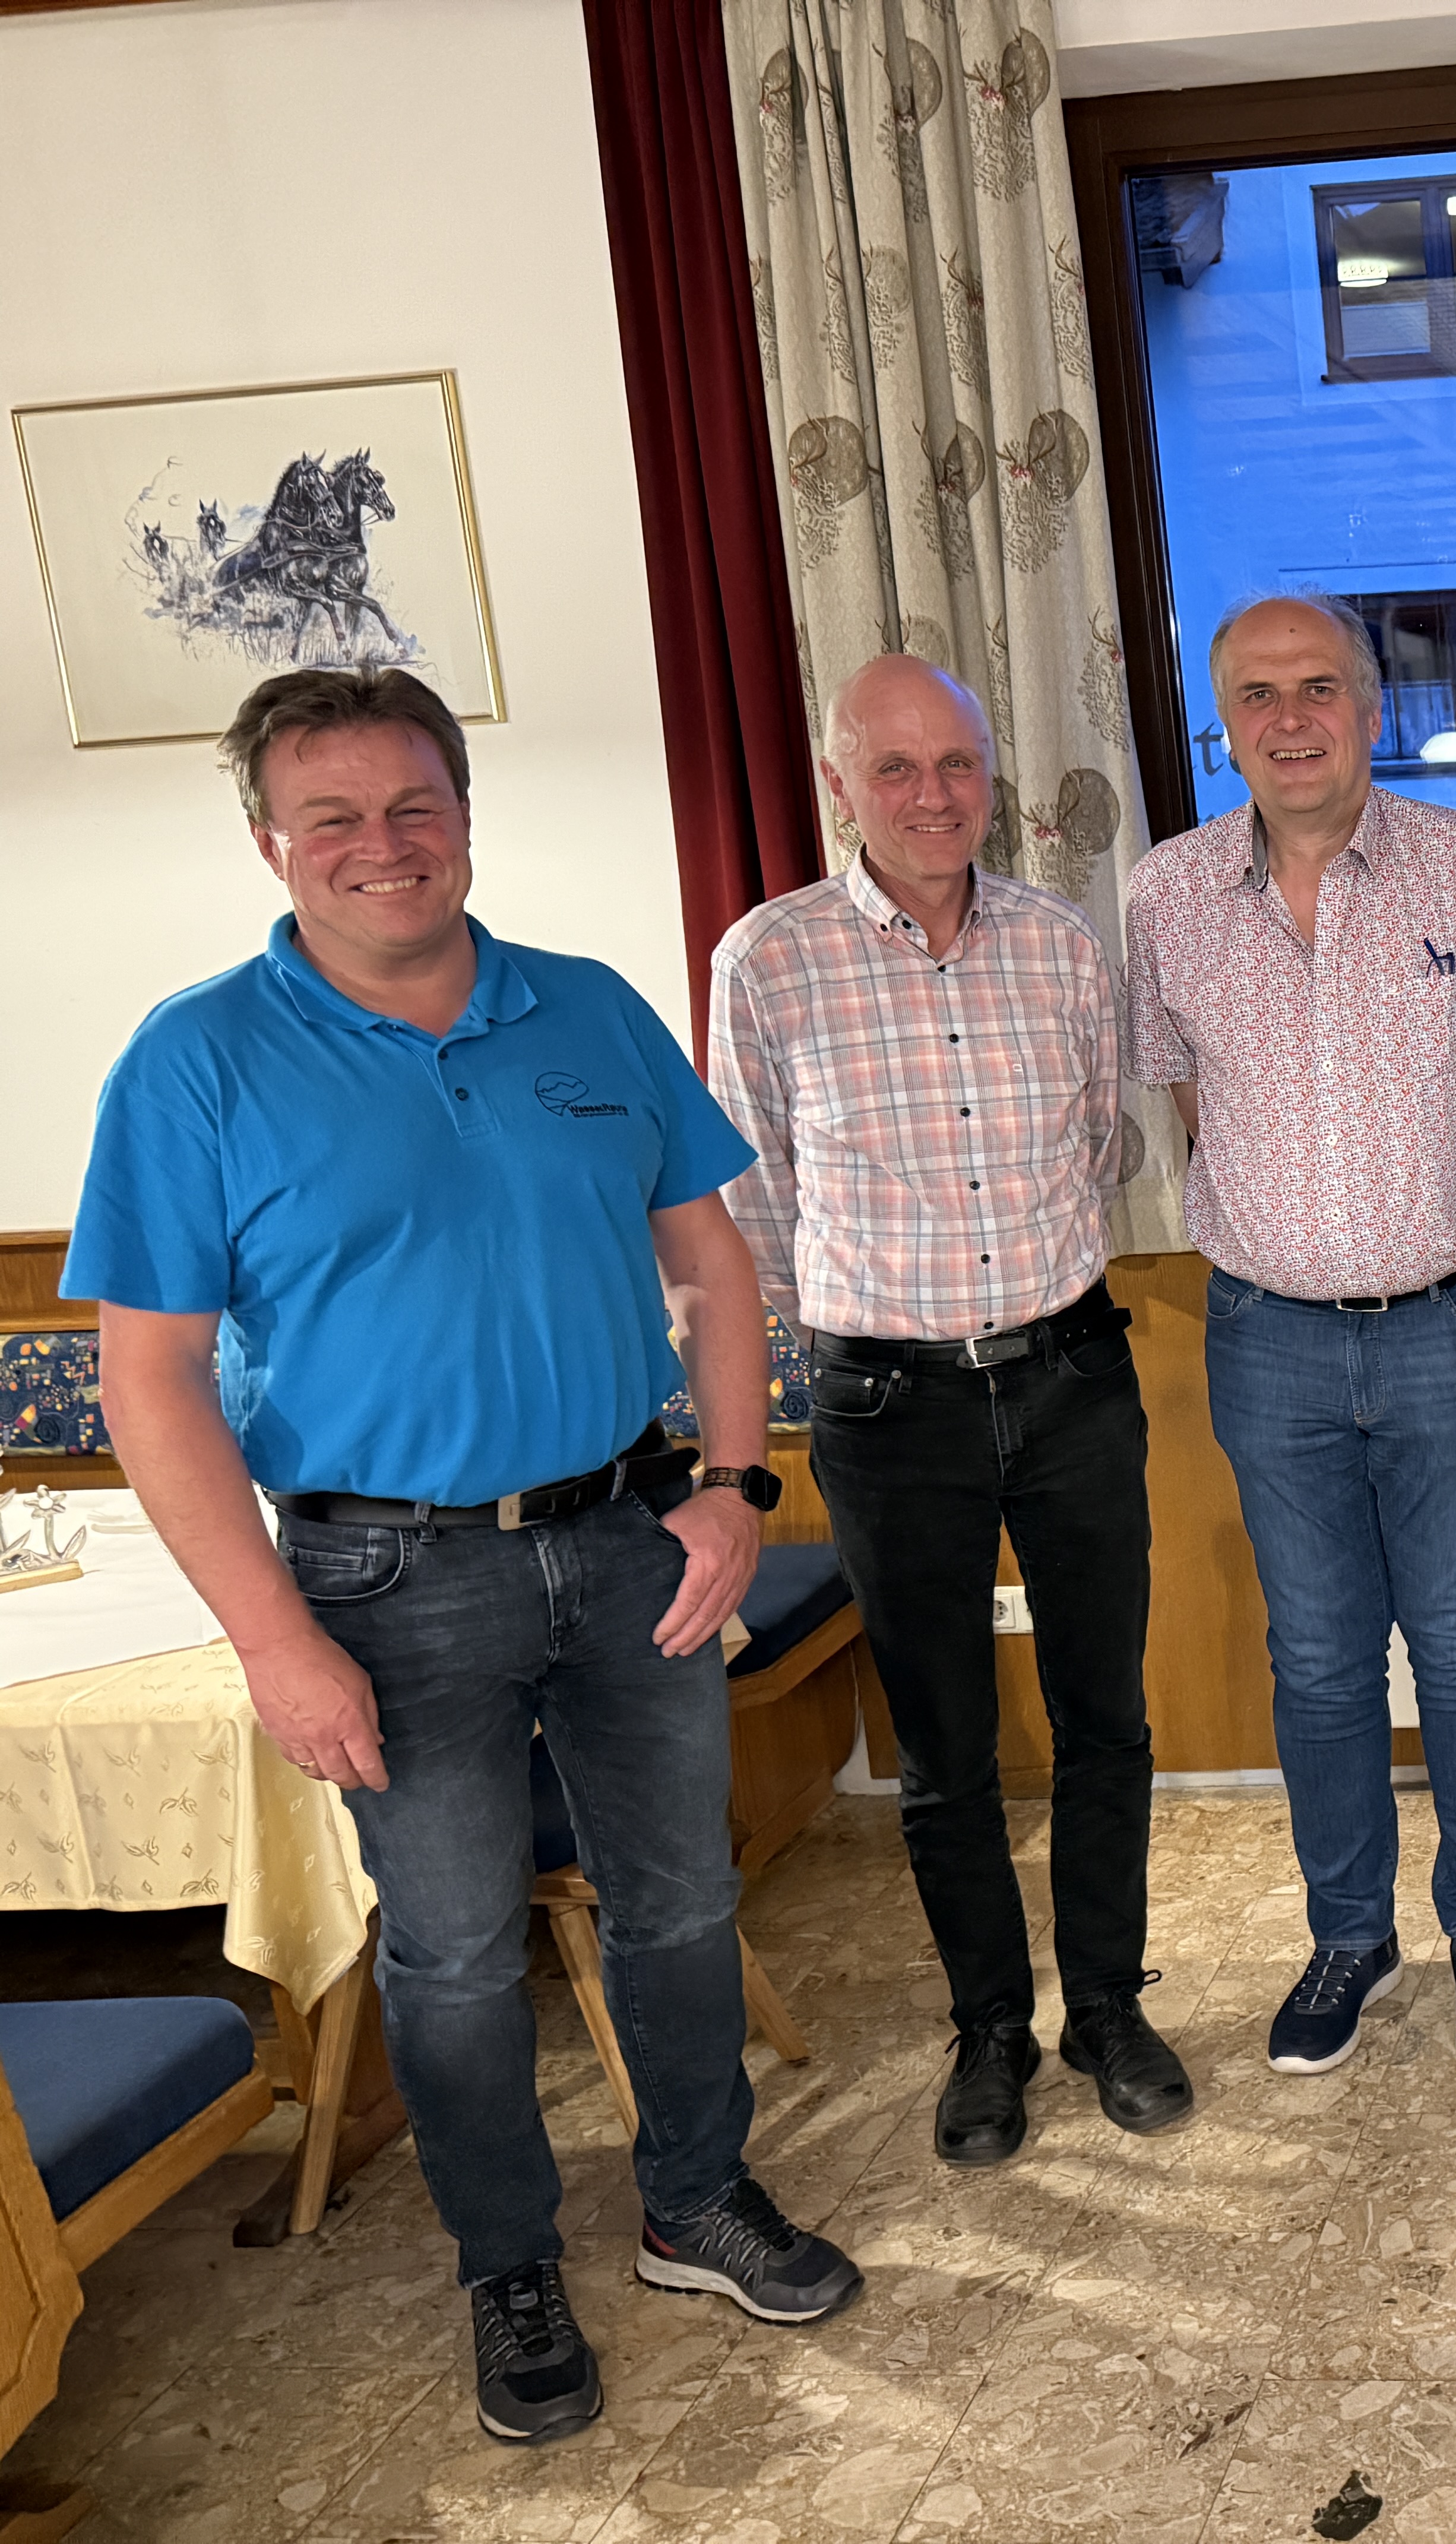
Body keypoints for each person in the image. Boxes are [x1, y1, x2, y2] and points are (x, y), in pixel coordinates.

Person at [68, 667, 862, 2448]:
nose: (384, 844)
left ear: (465, 817)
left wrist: (738, 1483)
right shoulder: (195, 1061)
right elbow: (151, 1380)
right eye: (334, 816)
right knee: (447, 1952)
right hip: (385, 1582)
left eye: (414, 804)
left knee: (683, 1899)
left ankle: (694, 2202)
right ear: (270, 842)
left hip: (632, 1539)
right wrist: (273, 1638)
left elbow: (712, 1262)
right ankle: (508, 2261)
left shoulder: (586, 1008)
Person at [707, 654, 1189, 2170]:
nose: (934, 797)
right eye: (896, 769)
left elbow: (1102, 1142)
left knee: (1107, 1717)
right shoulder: (767, 962)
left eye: (958, 766)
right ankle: (991, 2029)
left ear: (993, 779)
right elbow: (754, 1200)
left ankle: (1105, 2005)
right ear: (839, 785)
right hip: (886, 1403)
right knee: (945, 1747)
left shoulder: (1061, 943)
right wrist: (869, 1334)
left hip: (1070, 1379)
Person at [1124, 591, 1456, 2076]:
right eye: (1257, 694)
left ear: (1372, 710)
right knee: (1314, 1657)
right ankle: (1349, 1936)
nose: (1290, 719)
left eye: (1319, 688)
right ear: (1223, 725)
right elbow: (1193, 1102)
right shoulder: (1167, 896)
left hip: (1452, 1324)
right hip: (1268, 1338)